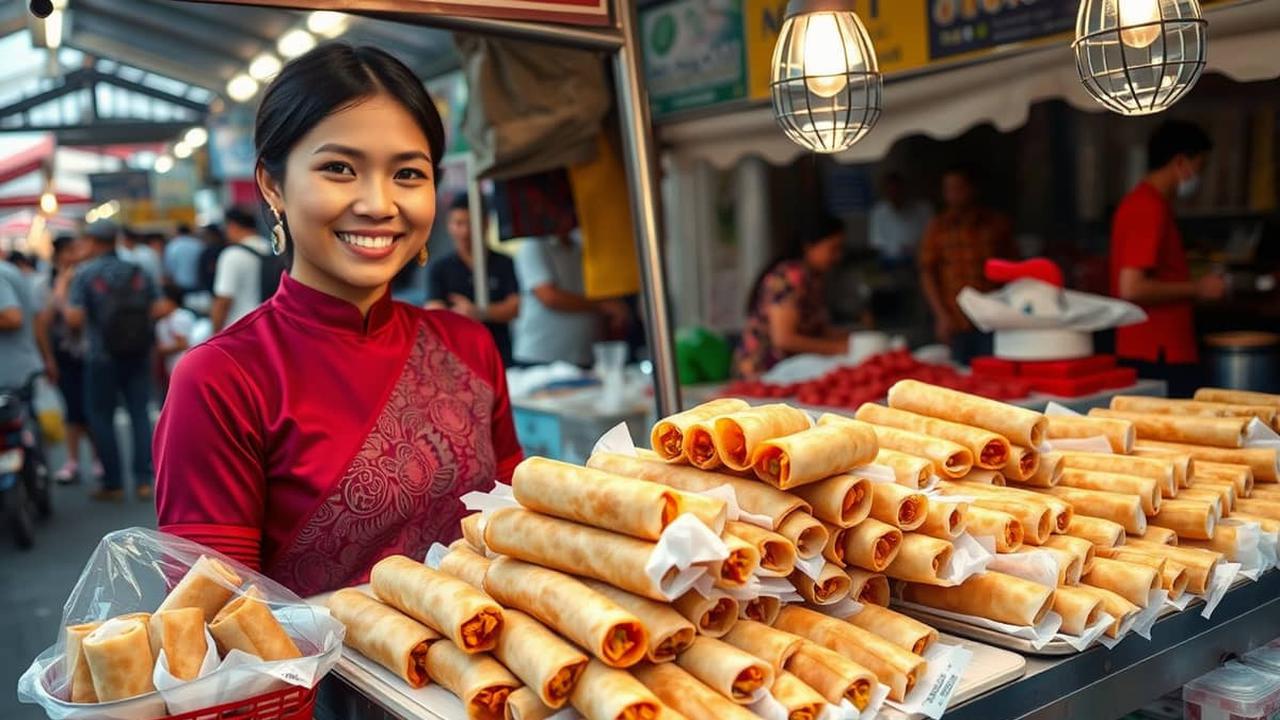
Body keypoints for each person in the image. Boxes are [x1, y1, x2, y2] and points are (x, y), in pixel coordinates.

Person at [155, 44, 522, 597]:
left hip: (496, 672)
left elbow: (517, 524)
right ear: (272, 185)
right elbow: (215, 621)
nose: (378, 203)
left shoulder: (468, 345)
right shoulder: (221, 380)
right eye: (338, 169)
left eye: (407, 173)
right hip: (316, 685)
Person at [1111, 121, 1224, 397]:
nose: (1200, 175)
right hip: (1157, 352)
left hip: (1157, 350)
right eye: (1201, 166)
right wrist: (1199, 288)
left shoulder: (1150, 204)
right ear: (1181, 162)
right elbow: (1132, 287)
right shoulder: (1147, 207)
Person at [63, 220, 162, 502]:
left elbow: (74, 318)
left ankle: (114, 483)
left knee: (102, 418)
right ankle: (144, 481)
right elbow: (159, 307)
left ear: (93, 242)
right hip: (138, 352)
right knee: (140, 415)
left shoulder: (85, 274)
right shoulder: (137, 272)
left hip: (100, 356)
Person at [918, 165, 1015, 364]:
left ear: (972, 189)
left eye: (958, 188)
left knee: (995, 373)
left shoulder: (994, 224)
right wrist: (941, 316)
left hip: (992, 318)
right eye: (948, 189)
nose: (953, 194)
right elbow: (928, 273)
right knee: (960, 380)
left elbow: (1013, 270)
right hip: (956, 319)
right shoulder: (938, 228)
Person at [734, 215, 850, 379]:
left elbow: (814, 328)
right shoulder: (791, 276)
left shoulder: (814, 278)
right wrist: (838, 348)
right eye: (833, 248)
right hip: (763, 373)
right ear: (809, 246)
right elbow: (784, 339)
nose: (838, 256)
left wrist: (851, 339)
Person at [35, 235, 102, 484]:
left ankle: (99, 459)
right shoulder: (44, 284)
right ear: (57, 257)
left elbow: (80, 320)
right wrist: (62, 288)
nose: (74, 256)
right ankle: (73, 461)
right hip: (63, 353)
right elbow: (44, 321)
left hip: (91, 352)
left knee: (93, 408)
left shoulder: (89, 278)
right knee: (73, 410)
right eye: (69, 252)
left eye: (76, 249)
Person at [426, 194, 520, 366]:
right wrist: (460, 316)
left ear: (485, 223)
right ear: (449, 226)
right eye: (458, 223)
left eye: (471, 223)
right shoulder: (440, 268)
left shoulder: (504, 263)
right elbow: (433, 314)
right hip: (456, 359)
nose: (465, 231)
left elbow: (514, 307)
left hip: (499, 357)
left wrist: (478, 312)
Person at [513, 234, 625, 367]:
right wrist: (602, 306)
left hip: (584, 355)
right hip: (542, 357)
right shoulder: (534, 245)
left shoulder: (582, 245)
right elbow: (549, 297)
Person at [210, 207, 275, 333]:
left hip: (240, 327)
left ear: (232, 226)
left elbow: (223, 300)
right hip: (269, 325)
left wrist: (214, 333)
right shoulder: (270, 249)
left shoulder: (231, 255)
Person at [869, 173, 933, 267]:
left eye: (897, 190)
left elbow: (931, 241)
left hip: (920, 261)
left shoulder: (923, 209)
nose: (894, 195)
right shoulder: (878, 212)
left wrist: (915, 250)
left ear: (903, 189)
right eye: (890, 192)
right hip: (890, 263)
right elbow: (877, 245)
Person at [0, 256, 44, 393]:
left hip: (9, 376)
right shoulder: (8, 269)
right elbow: (37, 316)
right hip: (20, 369)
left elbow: (13, 318)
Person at [155, 283, 197, 383]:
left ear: (170, 302)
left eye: (161, 301)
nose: (157, 305)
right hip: (172, 369)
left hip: (184, 369)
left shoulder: (179, 317)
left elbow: (182, 344)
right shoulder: (162, 321)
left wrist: (160, 350)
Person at [163, 223, 205, 293]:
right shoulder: (199, 245)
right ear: (190, 232)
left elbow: (169, 268)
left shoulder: (173, 246)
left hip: (179, 286)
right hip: (198, 285)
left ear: (178, 232)